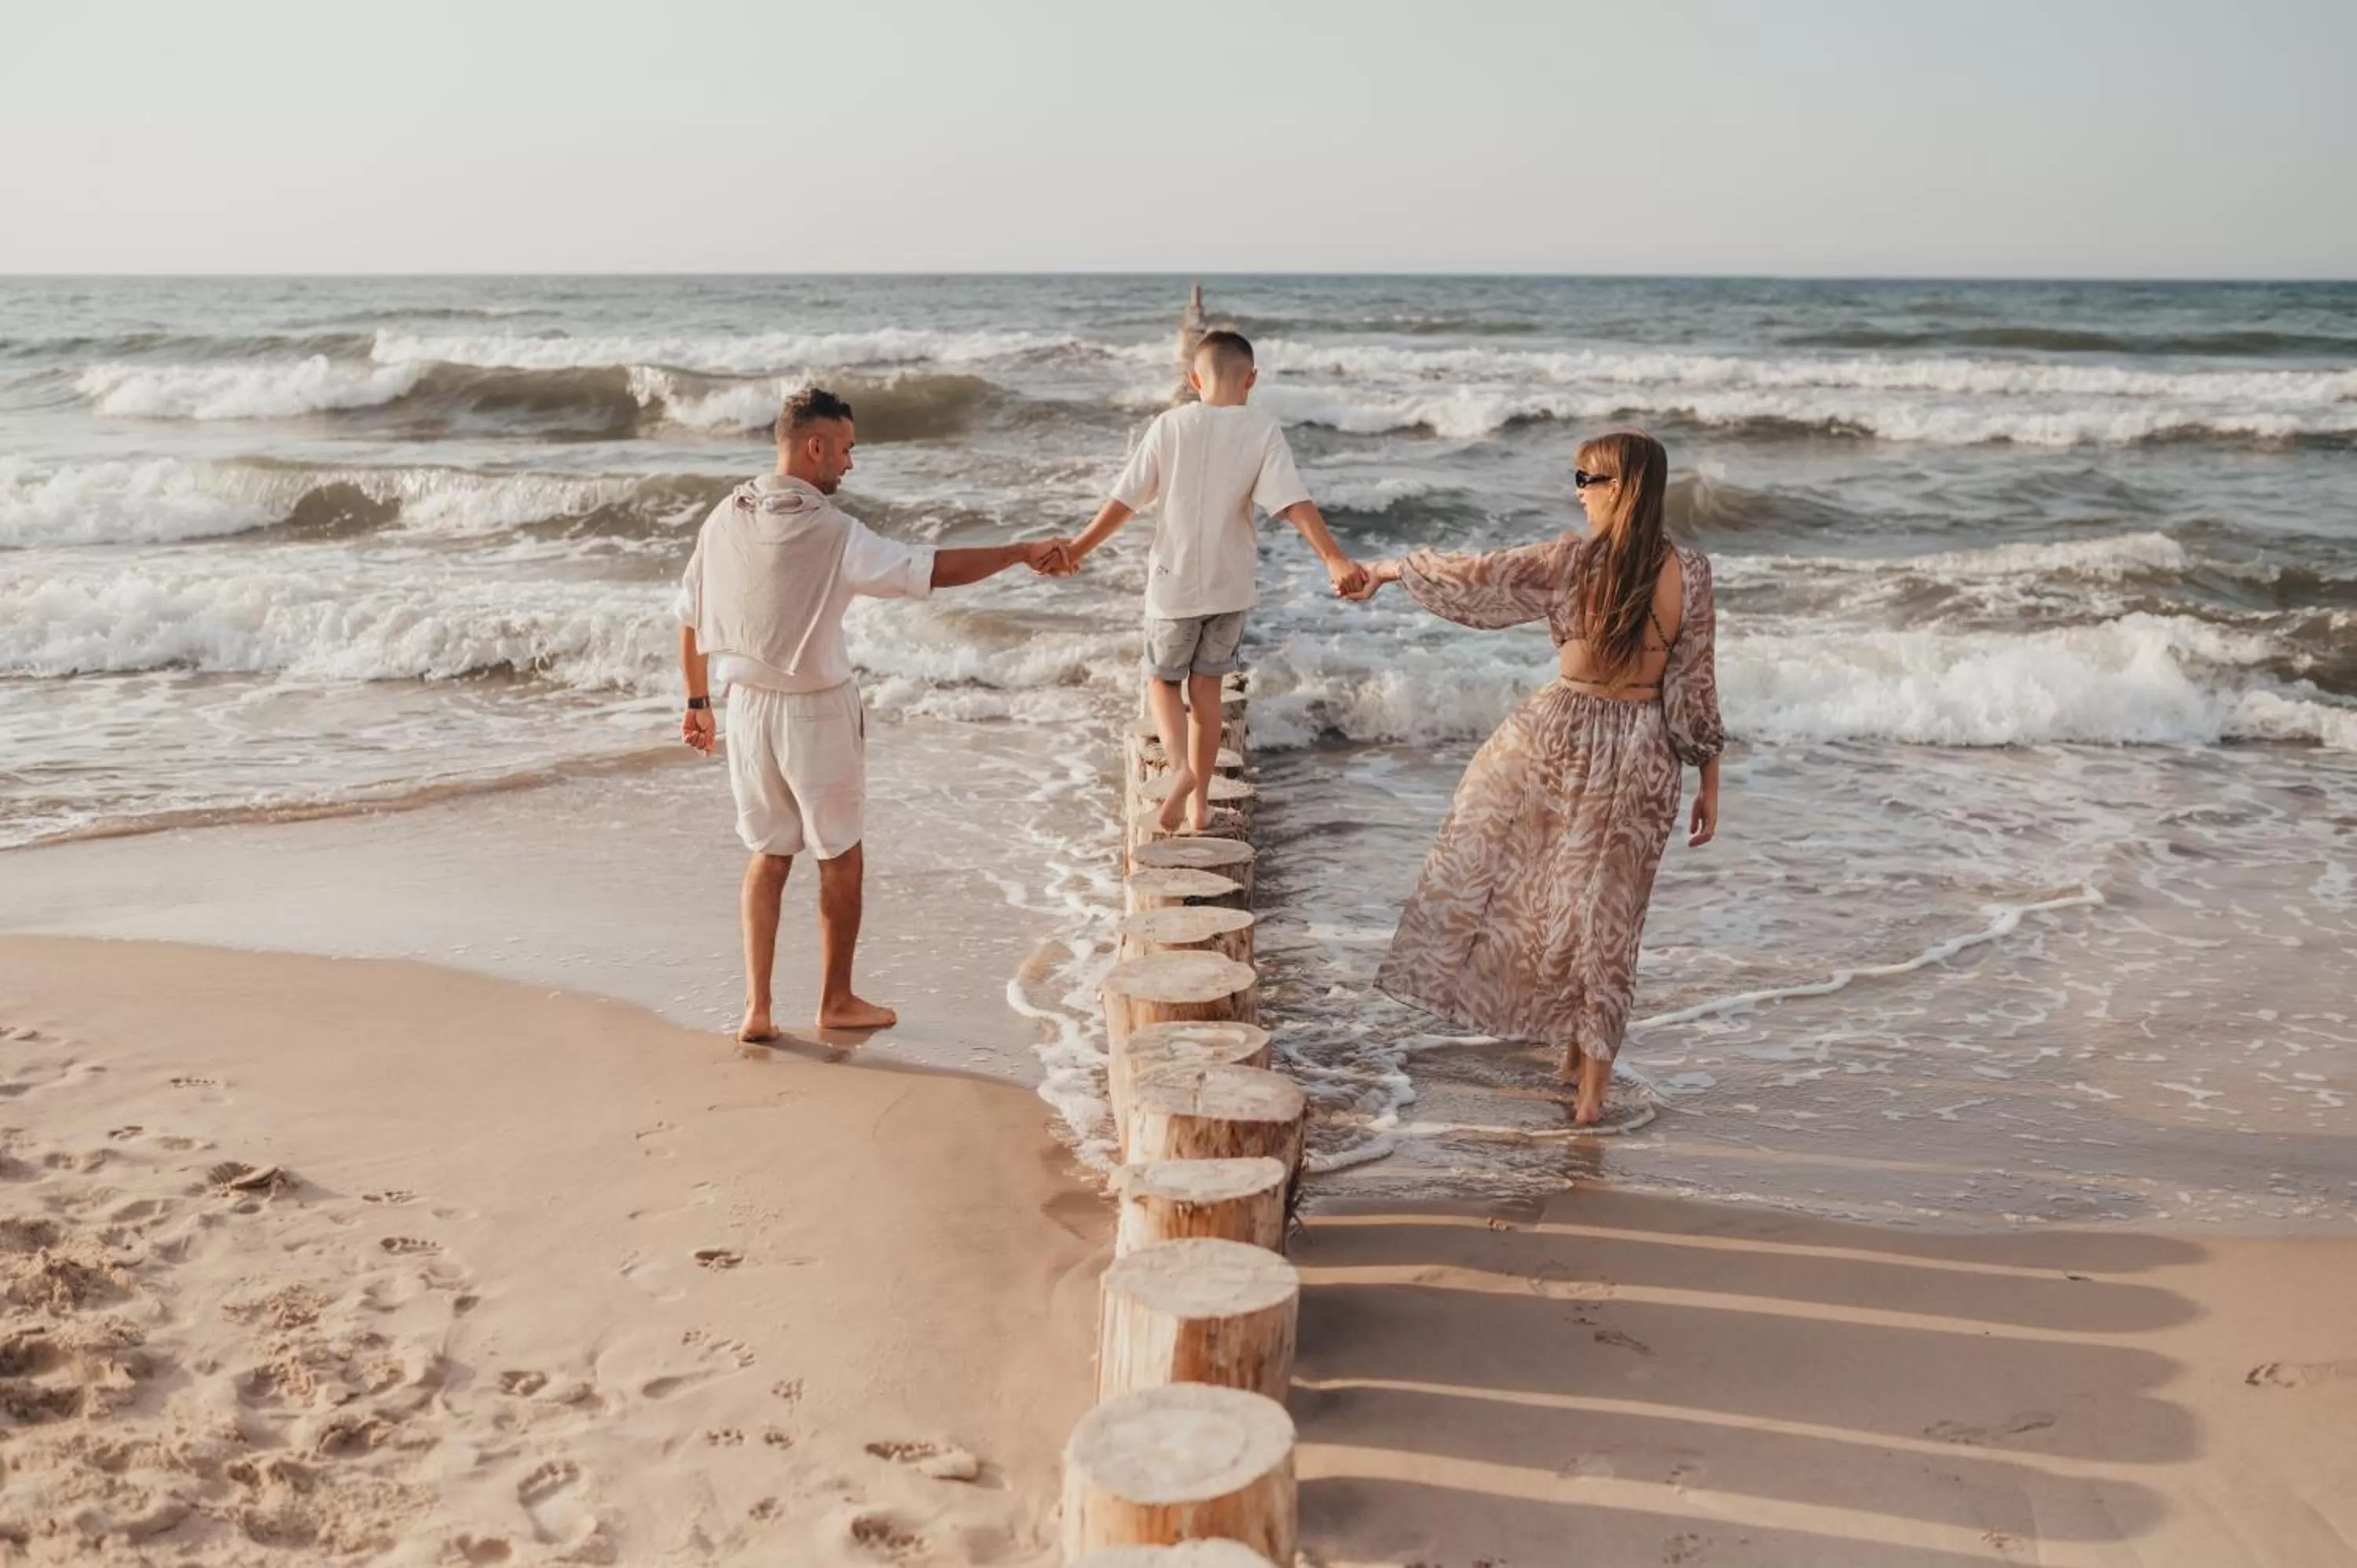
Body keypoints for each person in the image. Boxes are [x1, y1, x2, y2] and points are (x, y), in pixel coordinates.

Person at [1348, 430, 1725, 1125]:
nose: (1578, 491)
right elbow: (1694, 683)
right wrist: (1709, 778)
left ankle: (1572, 1057)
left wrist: (1388, 569)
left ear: (1621, 488)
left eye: (1588, 478)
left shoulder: (1571, 562)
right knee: (1610, 921)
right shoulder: (1693, 572)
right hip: (1643, 751)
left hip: (1554, 735)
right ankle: (1587, 1087)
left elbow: (1477, 575)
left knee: (1532, 896)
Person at [676, 387, 1066, 1042]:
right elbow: (931, 570)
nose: (850, 465)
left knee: (768, 856)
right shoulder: (834, 532)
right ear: (815, 446)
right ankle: (836, 1001)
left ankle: (758, 1008)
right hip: (816, 714)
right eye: (847, 450)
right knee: (840, 856)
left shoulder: (725, 515)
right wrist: (1020, 551)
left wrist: (696, 703)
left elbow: (689, 616)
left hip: (744, 713)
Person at [1054, 329, 1368, 832]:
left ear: (1192, 378)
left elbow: (1126, 500)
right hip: (1230, 586)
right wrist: (1334, 559)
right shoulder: (1261, 428)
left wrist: (1077, 549)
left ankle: (1178, 770)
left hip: (1173, 584)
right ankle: (1200, 807)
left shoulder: (1169, 425)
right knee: (1207, 696)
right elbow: (1293, 503)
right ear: (1252, 379)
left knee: (1160, 680)